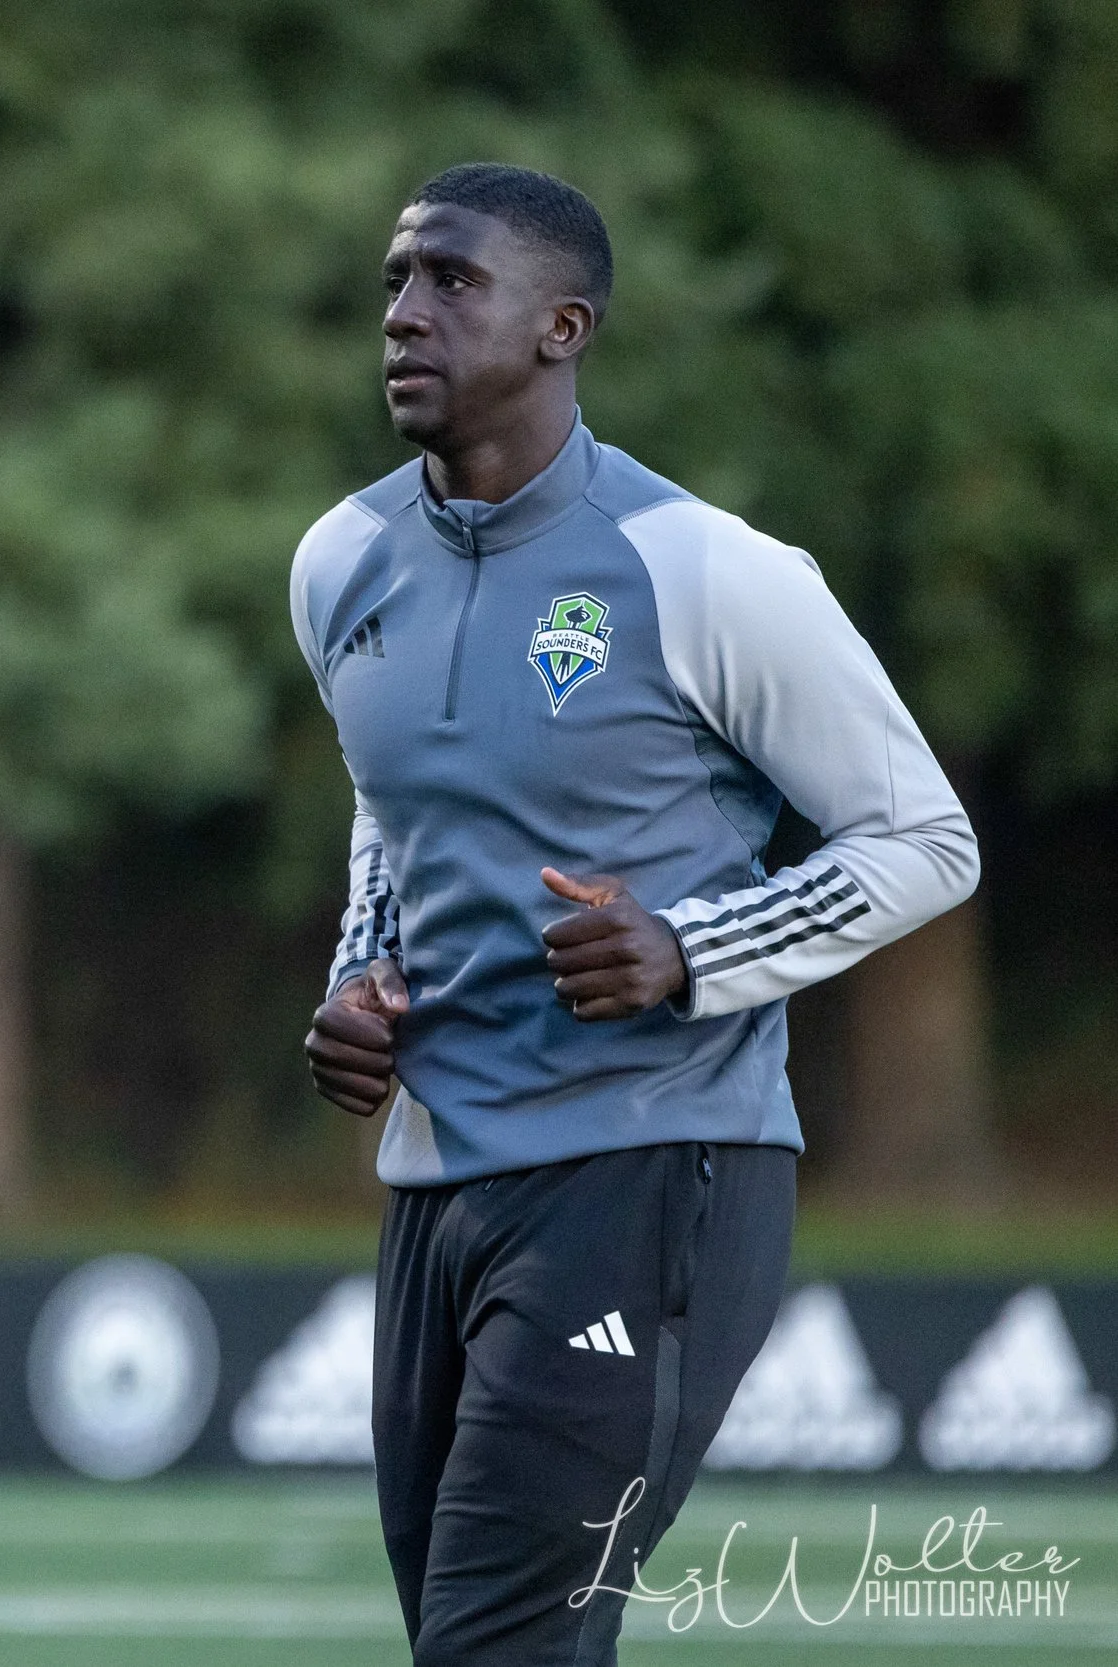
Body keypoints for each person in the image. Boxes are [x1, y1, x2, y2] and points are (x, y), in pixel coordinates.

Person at [293, 165, 978, 1664]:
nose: (402, 312)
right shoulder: (339, 561)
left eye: (452, 280)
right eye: (397, 279)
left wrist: (693, 948)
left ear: (563, 327)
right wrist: (362, 976)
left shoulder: (707, 569)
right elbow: (391, 812)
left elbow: (927, 840)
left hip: (653, 1169)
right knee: (478, 1642)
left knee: (500, 1644)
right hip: (436, 1187)